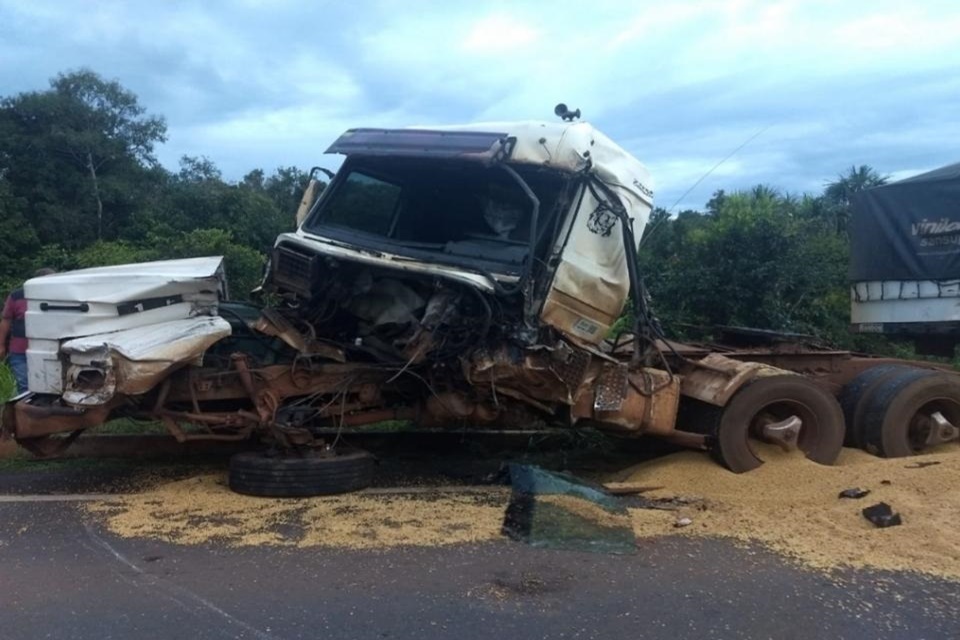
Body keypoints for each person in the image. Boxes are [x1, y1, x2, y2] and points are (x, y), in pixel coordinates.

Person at [0, 268, 56, 394]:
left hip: (49, 351)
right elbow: (6, 320)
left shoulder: (58, 297)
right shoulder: (17, 296)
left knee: (50, 386)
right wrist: (1, 345)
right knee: (25, 386)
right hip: (20, 352)